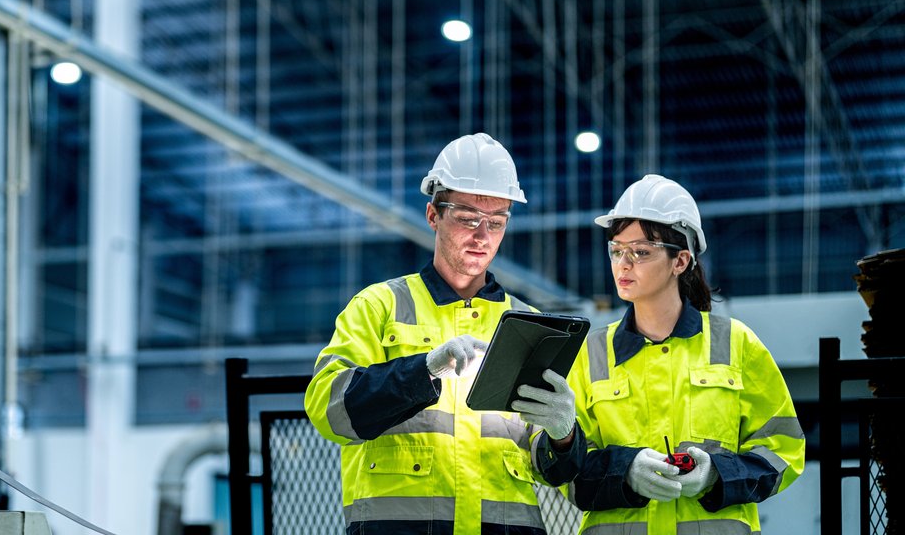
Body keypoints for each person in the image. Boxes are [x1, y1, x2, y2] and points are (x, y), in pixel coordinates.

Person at [305, 133, 584, 535]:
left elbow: (553, 470)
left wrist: (563, 435)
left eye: (497, 222)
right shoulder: (379, 306)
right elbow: (328, 410)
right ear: (433, 215)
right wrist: (423, 370)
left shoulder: (529, 322)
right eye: (468, 218)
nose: (482, 235)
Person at [566, 174, 805, 533]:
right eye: (617, 250)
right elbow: (568, 471)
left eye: (641, 252)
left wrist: (716, 477)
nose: (623, 264)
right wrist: (626, 472)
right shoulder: (593, 353)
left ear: (680, 261)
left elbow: (784, 450)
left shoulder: (736, 344)